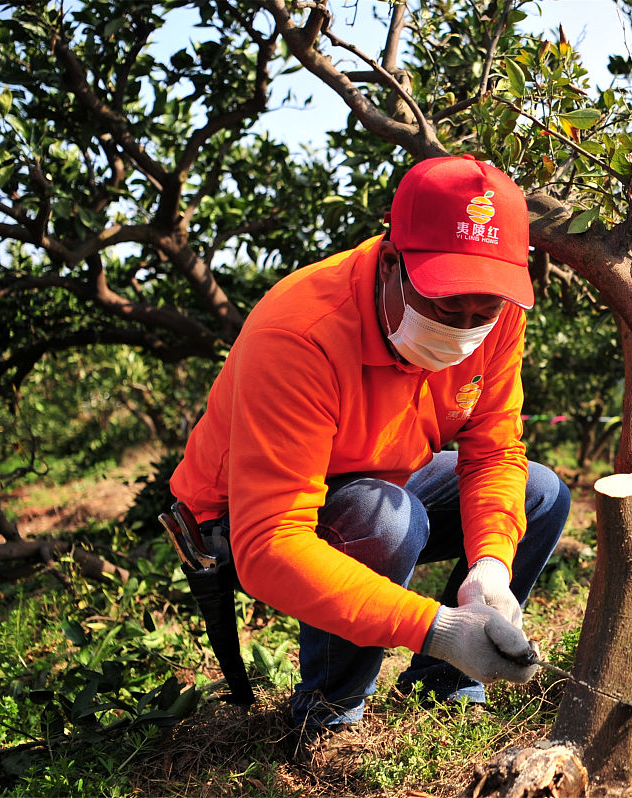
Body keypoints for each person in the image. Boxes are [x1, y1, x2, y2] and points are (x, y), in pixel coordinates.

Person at [169, 155, 571, 733]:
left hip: (382, 472)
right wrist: (434, 626)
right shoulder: (300, 335)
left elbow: (494, 449)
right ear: (390, 264)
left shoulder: (497, 309)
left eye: (480, 312)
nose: (463, 329)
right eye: (442, 306)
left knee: (540, 493)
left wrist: (490, 568)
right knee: (385, 519)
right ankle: (329, 717)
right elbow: (269, 545)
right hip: (238, 523)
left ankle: (446, 682)